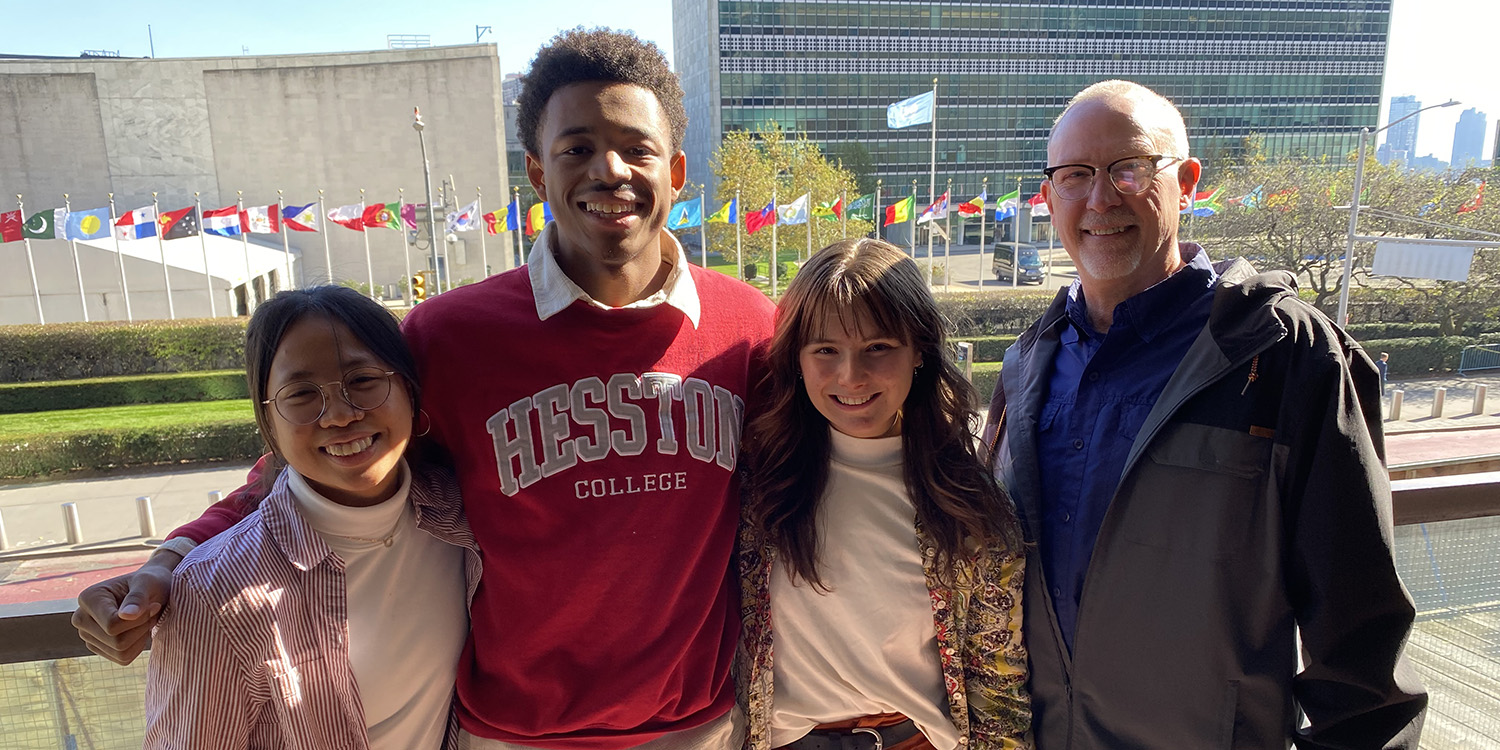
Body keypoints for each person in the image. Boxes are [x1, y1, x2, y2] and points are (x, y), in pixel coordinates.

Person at [75, 28, 775, 750]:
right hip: (510, 733)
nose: (609, 169)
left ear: (679, 170)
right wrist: (165, 564)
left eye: (637, 148)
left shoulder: (751, 327)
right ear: (536, 174)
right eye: (576, 148)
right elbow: (299, 463)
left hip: (699, 726)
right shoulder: (450, 335)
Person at [981, 80, 1427, 748]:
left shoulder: (1286, 358)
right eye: (1076, 176)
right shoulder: (1027, 365)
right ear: (1048, 198)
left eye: (1129, 168)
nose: (1102, 198)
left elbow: (1361, 653)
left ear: (1186, 181)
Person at [145, 285, 479, 749]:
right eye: (301, 393)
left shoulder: (463, 513)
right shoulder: (214, 597)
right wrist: (170, 557)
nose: (340, 415)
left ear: (409, 389)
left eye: (363, 381)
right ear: (269, 422)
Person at [738, 239, 1030, 750]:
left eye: (878, 347)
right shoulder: (756, 483)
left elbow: (998, 685)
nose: (850, 376)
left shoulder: (969, 506)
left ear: (918, 351)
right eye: (825, 349)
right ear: (797, 359)